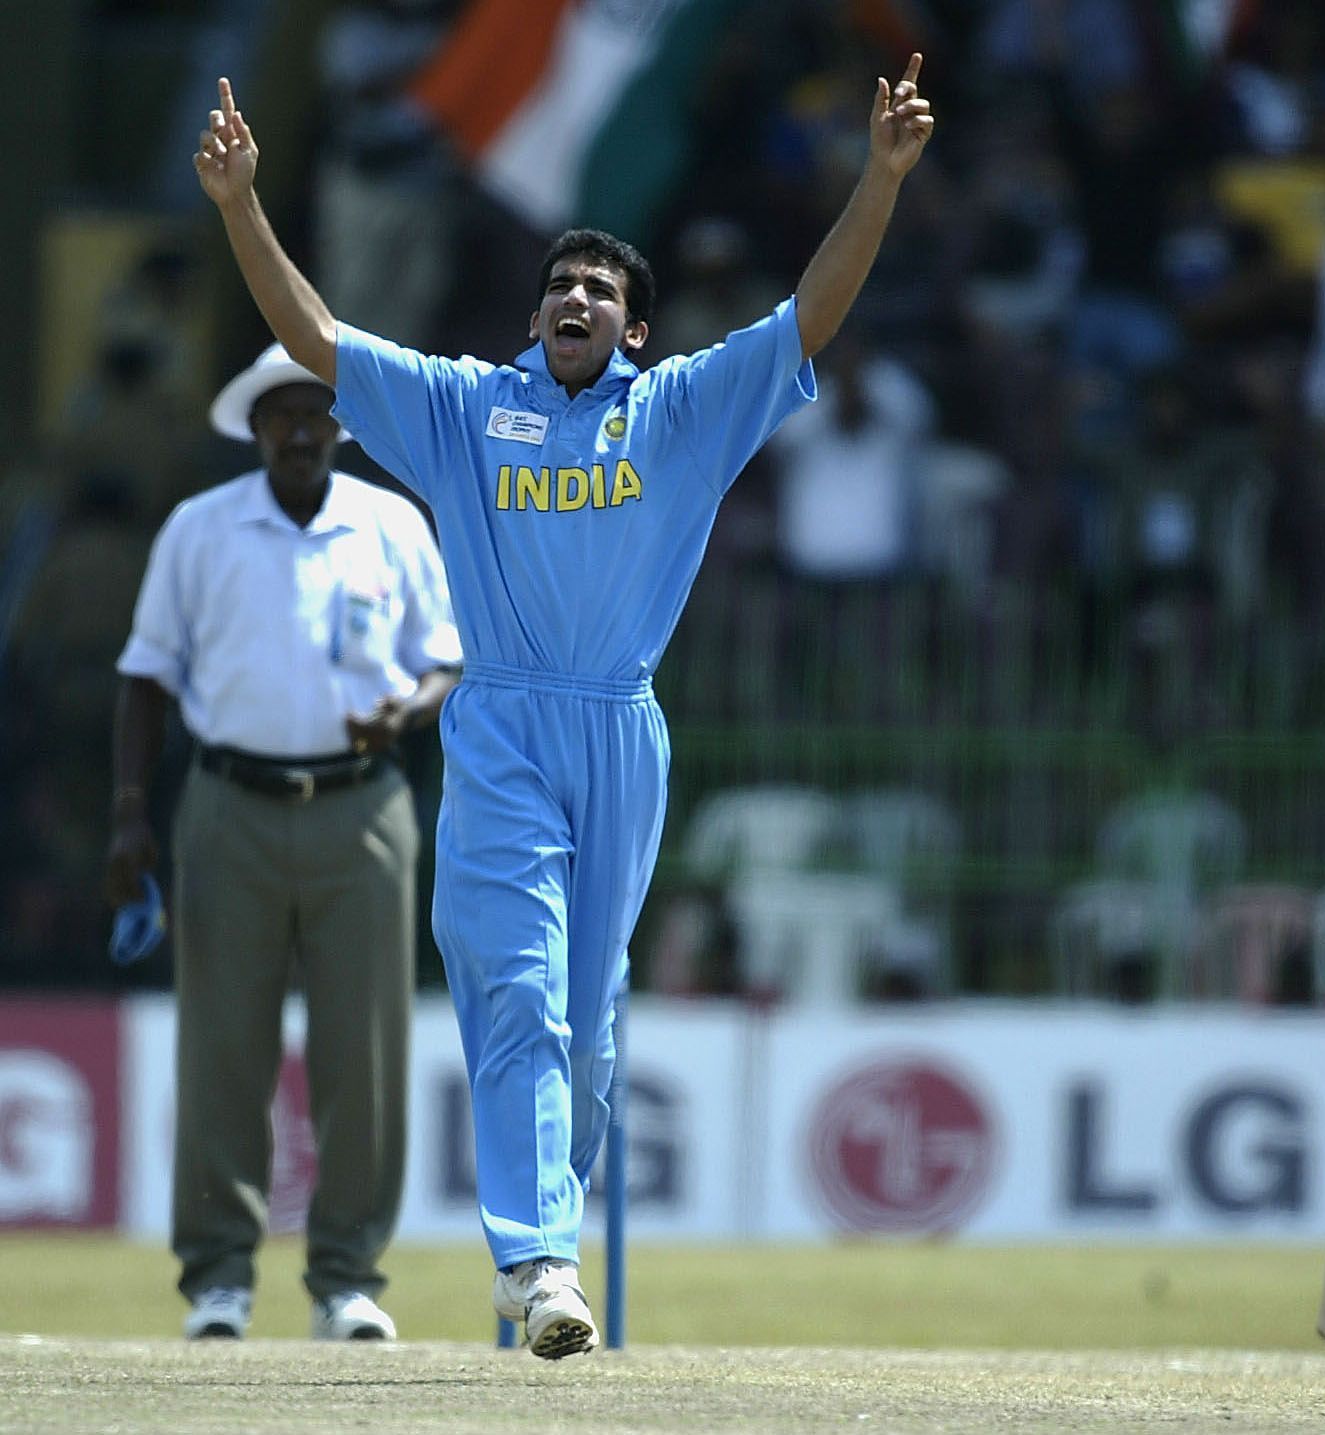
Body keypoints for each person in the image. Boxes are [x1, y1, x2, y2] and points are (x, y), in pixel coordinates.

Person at [192, 56, 934, 1358]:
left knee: (588, 1036)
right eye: (558, 286)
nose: (574, 296)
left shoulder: (685, 411)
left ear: (634, 327)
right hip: (502, 731)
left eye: (598, 288)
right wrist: (244, 205)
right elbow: (316, 342)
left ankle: (539, 1256)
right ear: (536, 321)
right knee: (521, 993)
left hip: (622, 733)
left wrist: (876, 178)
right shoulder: (471, 410)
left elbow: (809, 318)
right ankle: (539, 1259)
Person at [105, 344, 462, 1342]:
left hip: (362, 805)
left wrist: (406, 712)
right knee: (224, 1045)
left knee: (366, 1050)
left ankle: (346, 1279)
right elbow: (145, 674)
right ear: (254, 429)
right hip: (228, 801)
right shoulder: (201, 529)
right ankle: (219, 1277)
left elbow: (443, 661)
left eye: (316, 414)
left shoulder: (389, 524)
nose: (300, 430)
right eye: (281, 415)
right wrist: (131, 810)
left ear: (340, 428)